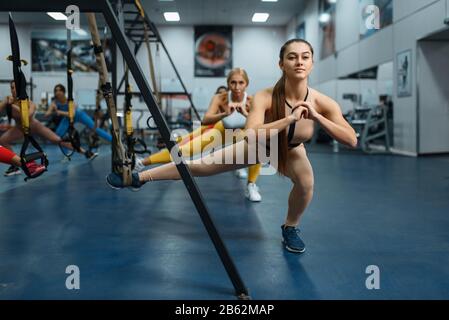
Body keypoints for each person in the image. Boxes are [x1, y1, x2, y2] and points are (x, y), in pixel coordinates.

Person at [108, 39, 357, 253]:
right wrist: (289, 119)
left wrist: (318, 117)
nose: (299, 62)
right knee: (198, 166)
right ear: (281, 64)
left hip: (292, 150)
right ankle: (140, 177)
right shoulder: (265, 96)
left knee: (306, 184)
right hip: (259, 145)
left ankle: (290, 227)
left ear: (312, 63)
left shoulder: (323, 102)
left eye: (305, 57)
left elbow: (351, 139)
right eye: (292, 57)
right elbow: (250, 134)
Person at [135, 70, 263, 202]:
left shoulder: (253, 101)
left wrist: (246, 114)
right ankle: (142, 163)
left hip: (241, 132)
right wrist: (224, 114)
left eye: (241, 83)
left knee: (258, 146)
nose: (237, 87)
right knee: (182, 150)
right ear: (228, 83)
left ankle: (251, 185)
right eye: (233, 82)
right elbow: (206, 120)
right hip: (220, 130)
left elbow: (259, 126)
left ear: (246, 84)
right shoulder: (220, 98)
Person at [0, 81, 98, 176]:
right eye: (12, 87)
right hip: (19, 128)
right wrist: (4, 102)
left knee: (58, 140)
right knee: (3, 140)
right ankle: (14, 166)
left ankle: (86, 153)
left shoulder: (27, 102)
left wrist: (13, 106)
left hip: (34, 126)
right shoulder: (7, 101)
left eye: (16, 87)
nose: (14, 90)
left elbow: (28, 116)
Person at [45, 84, 112, 143]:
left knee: (96, 129)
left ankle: (113, 141)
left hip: (79, 115)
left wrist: (59, 112)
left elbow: (72, 114)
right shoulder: (54, 103)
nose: (58, 92)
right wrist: (52, 110)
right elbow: (46, 115)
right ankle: (66, 153)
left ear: (63, 92)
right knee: (58, 134)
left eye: (60, 90)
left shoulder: (70, 101)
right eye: (56, 91)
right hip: (68, 118)